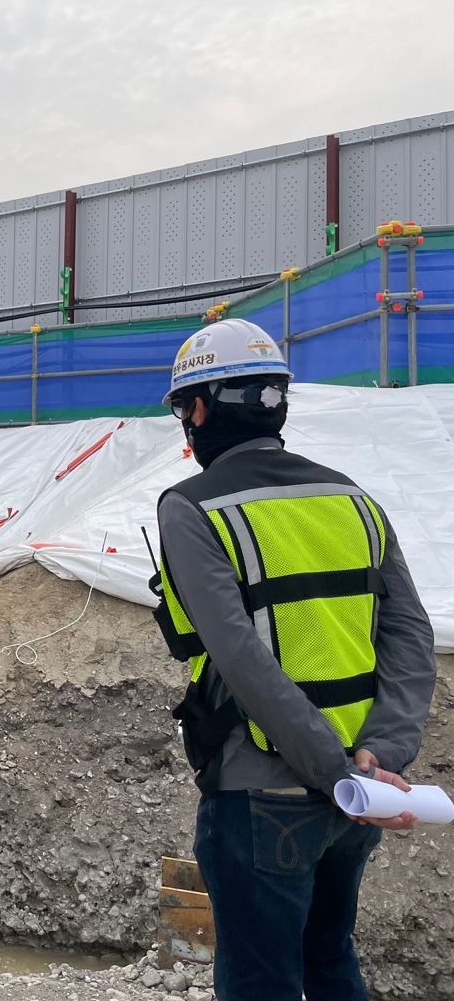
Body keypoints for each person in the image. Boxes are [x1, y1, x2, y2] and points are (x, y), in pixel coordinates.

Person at [151, 318, 437, 1001]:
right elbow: (411, 637)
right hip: (358, 791)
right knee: (329, 960)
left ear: (199, 410)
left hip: (265, 792)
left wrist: (336, 772)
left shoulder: (191, 508)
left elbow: (241, 659)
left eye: (183, 410)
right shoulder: (353, 499)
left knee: (260, 981)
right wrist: (378, 758)